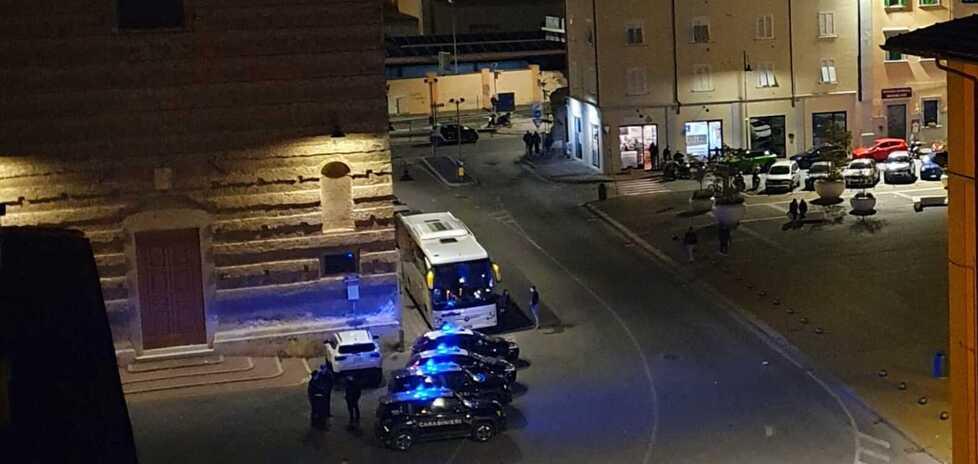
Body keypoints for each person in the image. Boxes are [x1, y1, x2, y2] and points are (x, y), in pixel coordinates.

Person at [307, 364, 333, 430]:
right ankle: (318, 424)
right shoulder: (313, 383)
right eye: (317, 375)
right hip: (316, 399)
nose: (318, 376)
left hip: (319, 398)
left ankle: (318, 424)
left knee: (319, 411)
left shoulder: (315, 381)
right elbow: (315, 390)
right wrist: (322, 391)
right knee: (317, 411)